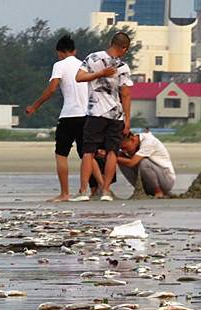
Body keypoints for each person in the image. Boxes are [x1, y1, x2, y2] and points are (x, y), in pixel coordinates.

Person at [25, 35, 102, 201]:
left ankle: (65, 193)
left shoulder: (59, 65)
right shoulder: (85, 65)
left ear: (59, 53)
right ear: (75, 51)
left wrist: (34, 106)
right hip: (86, 115)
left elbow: (52, 89)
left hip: (68, 115)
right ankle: (101, 189)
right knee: (87, 155)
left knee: (61, 154)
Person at [72, 32, 134, 202]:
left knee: (88, 151)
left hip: (96, 112)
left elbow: (79, 77)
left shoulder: (93, 58)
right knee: (111, 152)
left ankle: (84, 190)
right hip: (114, 113)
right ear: (124, 48)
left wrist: (97, 75)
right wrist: (128, 119)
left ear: (110, 43)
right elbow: (126, 94)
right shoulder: (122, 66)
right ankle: (105, 190)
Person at [117, 131, 175, 198]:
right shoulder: (136, 144)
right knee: (121, 160)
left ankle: (158, 192)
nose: (124, 151)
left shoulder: (148, 142)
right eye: (122, 149)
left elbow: (131, 162)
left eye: (125, 148)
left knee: (144, 163)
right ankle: (140, 189)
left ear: (132, 140)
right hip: (149, 182)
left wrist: (111, 157)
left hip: (166, 180)